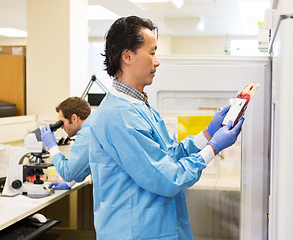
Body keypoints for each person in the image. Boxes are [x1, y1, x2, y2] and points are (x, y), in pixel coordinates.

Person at [88, 16, 244, 240]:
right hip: (133, 232)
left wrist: (207, 134)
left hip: (153, 228)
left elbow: (167, 156)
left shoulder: (139, 105)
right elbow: (168, 177)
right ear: (127, 56)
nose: (157, 61)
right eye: (151, 53)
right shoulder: (119, 116)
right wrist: (213, 147)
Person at [40, 97, 92, 190]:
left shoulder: (86, 134)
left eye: (62, 122)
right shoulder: (93, 126)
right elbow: (87, 164)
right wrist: (69, 183)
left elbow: (68, 173)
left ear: (74, 118)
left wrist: (52, 147)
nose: (61, 127)